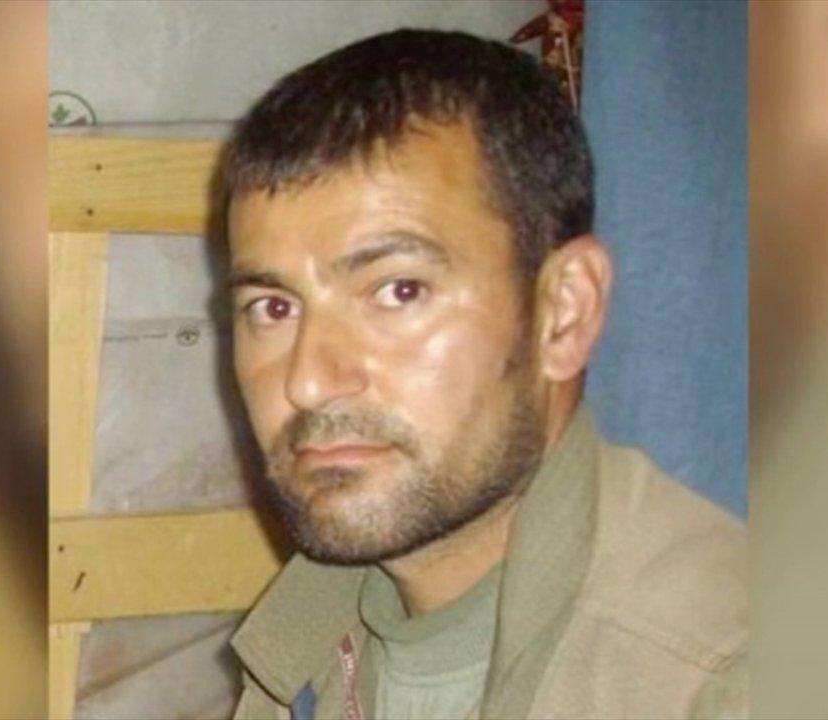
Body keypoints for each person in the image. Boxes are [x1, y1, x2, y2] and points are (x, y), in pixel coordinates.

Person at [220, 29, 746, 720]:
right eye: (274, 307)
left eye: (398, 291)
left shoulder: (720, 679)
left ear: (563, 313)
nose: (308, 382)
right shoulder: (308, 642)